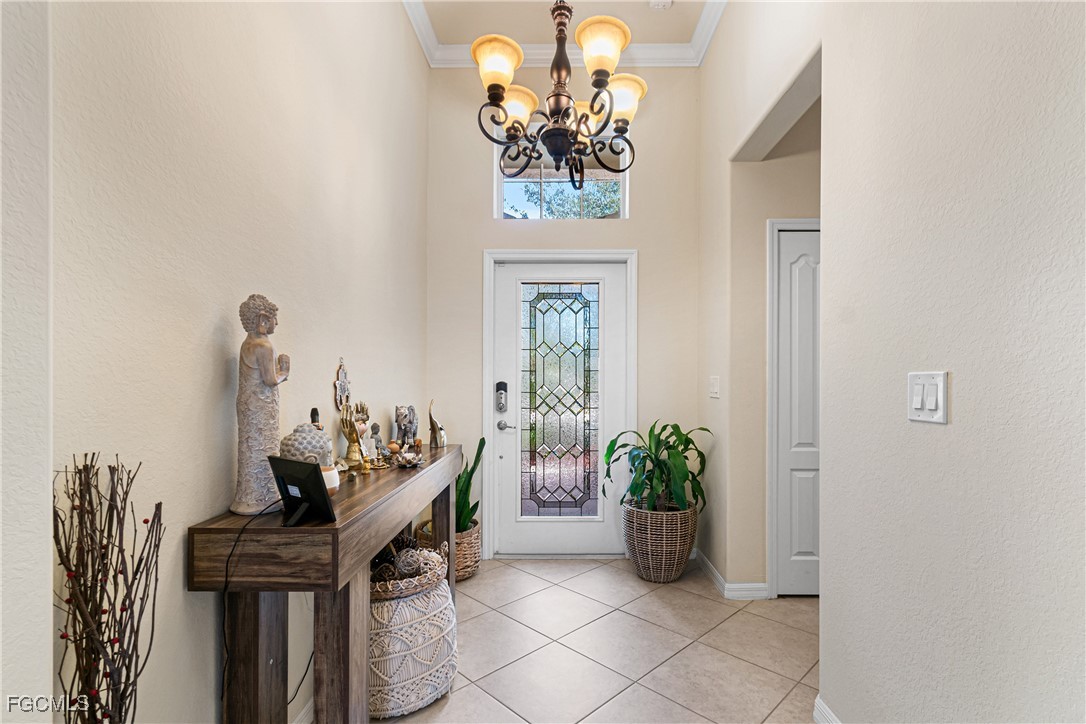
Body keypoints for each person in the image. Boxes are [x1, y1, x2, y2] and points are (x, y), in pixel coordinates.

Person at [232, 294, 290, 515]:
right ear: (263, 319)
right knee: (264, 449)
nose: (277, 323)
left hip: (248, 405)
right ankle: (263, 498)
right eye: (275, 318)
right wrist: (284, 370)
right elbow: (271, 380)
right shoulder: (263, 345)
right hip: (263, 406)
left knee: (251, 448)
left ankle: (249, 496)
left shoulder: (246, 344)